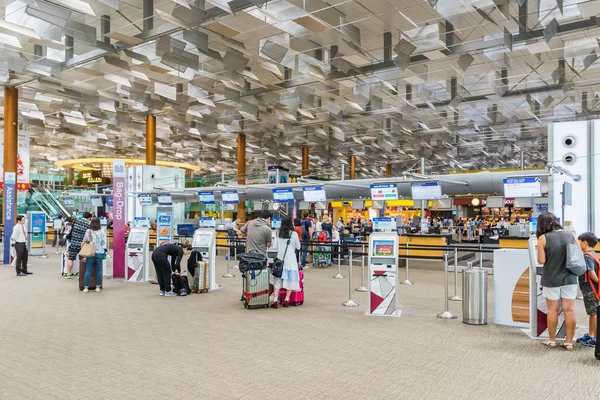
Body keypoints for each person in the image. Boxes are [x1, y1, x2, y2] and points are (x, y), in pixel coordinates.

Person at [536, 212, 578, 350]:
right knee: (569, 310)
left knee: (552, 310)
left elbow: (541, 260)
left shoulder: (543, 238)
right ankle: (569, 342)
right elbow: (579, 254)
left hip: (552, 278)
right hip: (570, 277)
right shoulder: (571, 234)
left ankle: (552, 340)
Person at [270, 218, 301, 309]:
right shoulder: (294, 234)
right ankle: (287, 300)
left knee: (277, 280)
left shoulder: (278, 233)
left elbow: (275, 246)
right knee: (290, 280)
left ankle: (275, 300)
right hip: (291, 260)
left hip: (280, 259)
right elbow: (298, 247)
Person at [576, 232, 599, 347]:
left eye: (579, 241)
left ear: (584, 242)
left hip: (590, 289)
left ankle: (595, 338)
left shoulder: (586, 256)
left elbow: (591, 273)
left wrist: (598, 282)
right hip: (593, 289)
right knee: (592, 312)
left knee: (594, 313)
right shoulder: (594, 254)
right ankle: (591, 335)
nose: (578, 243)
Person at [82, 217, 107, 293]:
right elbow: (103, 243)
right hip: (100, 252)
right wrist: (104, 251)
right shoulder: (102, 231)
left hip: (90, 252)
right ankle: (98, 287)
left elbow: (85, 240)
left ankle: (86, 287)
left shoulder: (88, 231)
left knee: (88, 270)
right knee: (99, 270)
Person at [65, 212, 92, 279]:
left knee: (71, 259)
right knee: (82, 259)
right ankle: (80, 274)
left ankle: (68, 274)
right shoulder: (88, 224)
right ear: (89, 218)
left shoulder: (75, 221)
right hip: (82, 244)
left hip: (73, 243)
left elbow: (70, 230)